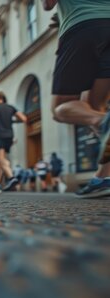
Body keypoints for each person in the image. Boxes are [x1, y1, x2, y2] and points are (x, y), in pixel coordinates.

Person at [43, 0, 110, 198]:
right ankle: (103, 177)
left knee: (60, 108)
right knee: (95, 106)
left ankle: (103, 121)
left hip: (82, 26)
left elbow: (48, 4)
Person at [0, 91, 27, 192]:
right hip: (9, 135)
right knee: (1, 160)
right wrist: (12, 121)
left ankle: (11, 177)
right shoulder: (10, 107)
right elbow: (23, 119)